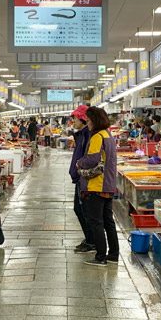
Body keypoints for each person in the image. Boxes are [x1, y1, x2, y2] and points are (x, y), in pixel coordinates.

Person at [76, 106, 119, 266]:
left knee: (96, 222)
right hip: (108, 185)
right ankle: (113, 254)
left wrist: (78, 163)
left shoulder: (97, 137)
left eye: (88, 120)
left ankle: (101, 257)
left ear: (94, 120)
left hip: (96, 185)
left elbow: (92, 159)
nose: (87, 123)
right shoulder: (108, 135)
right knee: (108, 221)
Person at [68, 105, 96, 254]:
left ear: (83, 119)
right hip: (80, 177)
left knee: (83, 210)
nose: (73, 121)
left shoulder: (88, 136)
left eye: (74, 118)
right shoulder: (82, 134)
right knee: (80, 209)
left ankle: (92, 241)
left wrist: (79, 169)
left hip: (83, 178)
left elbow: (89, 158)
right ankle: (90, 239)